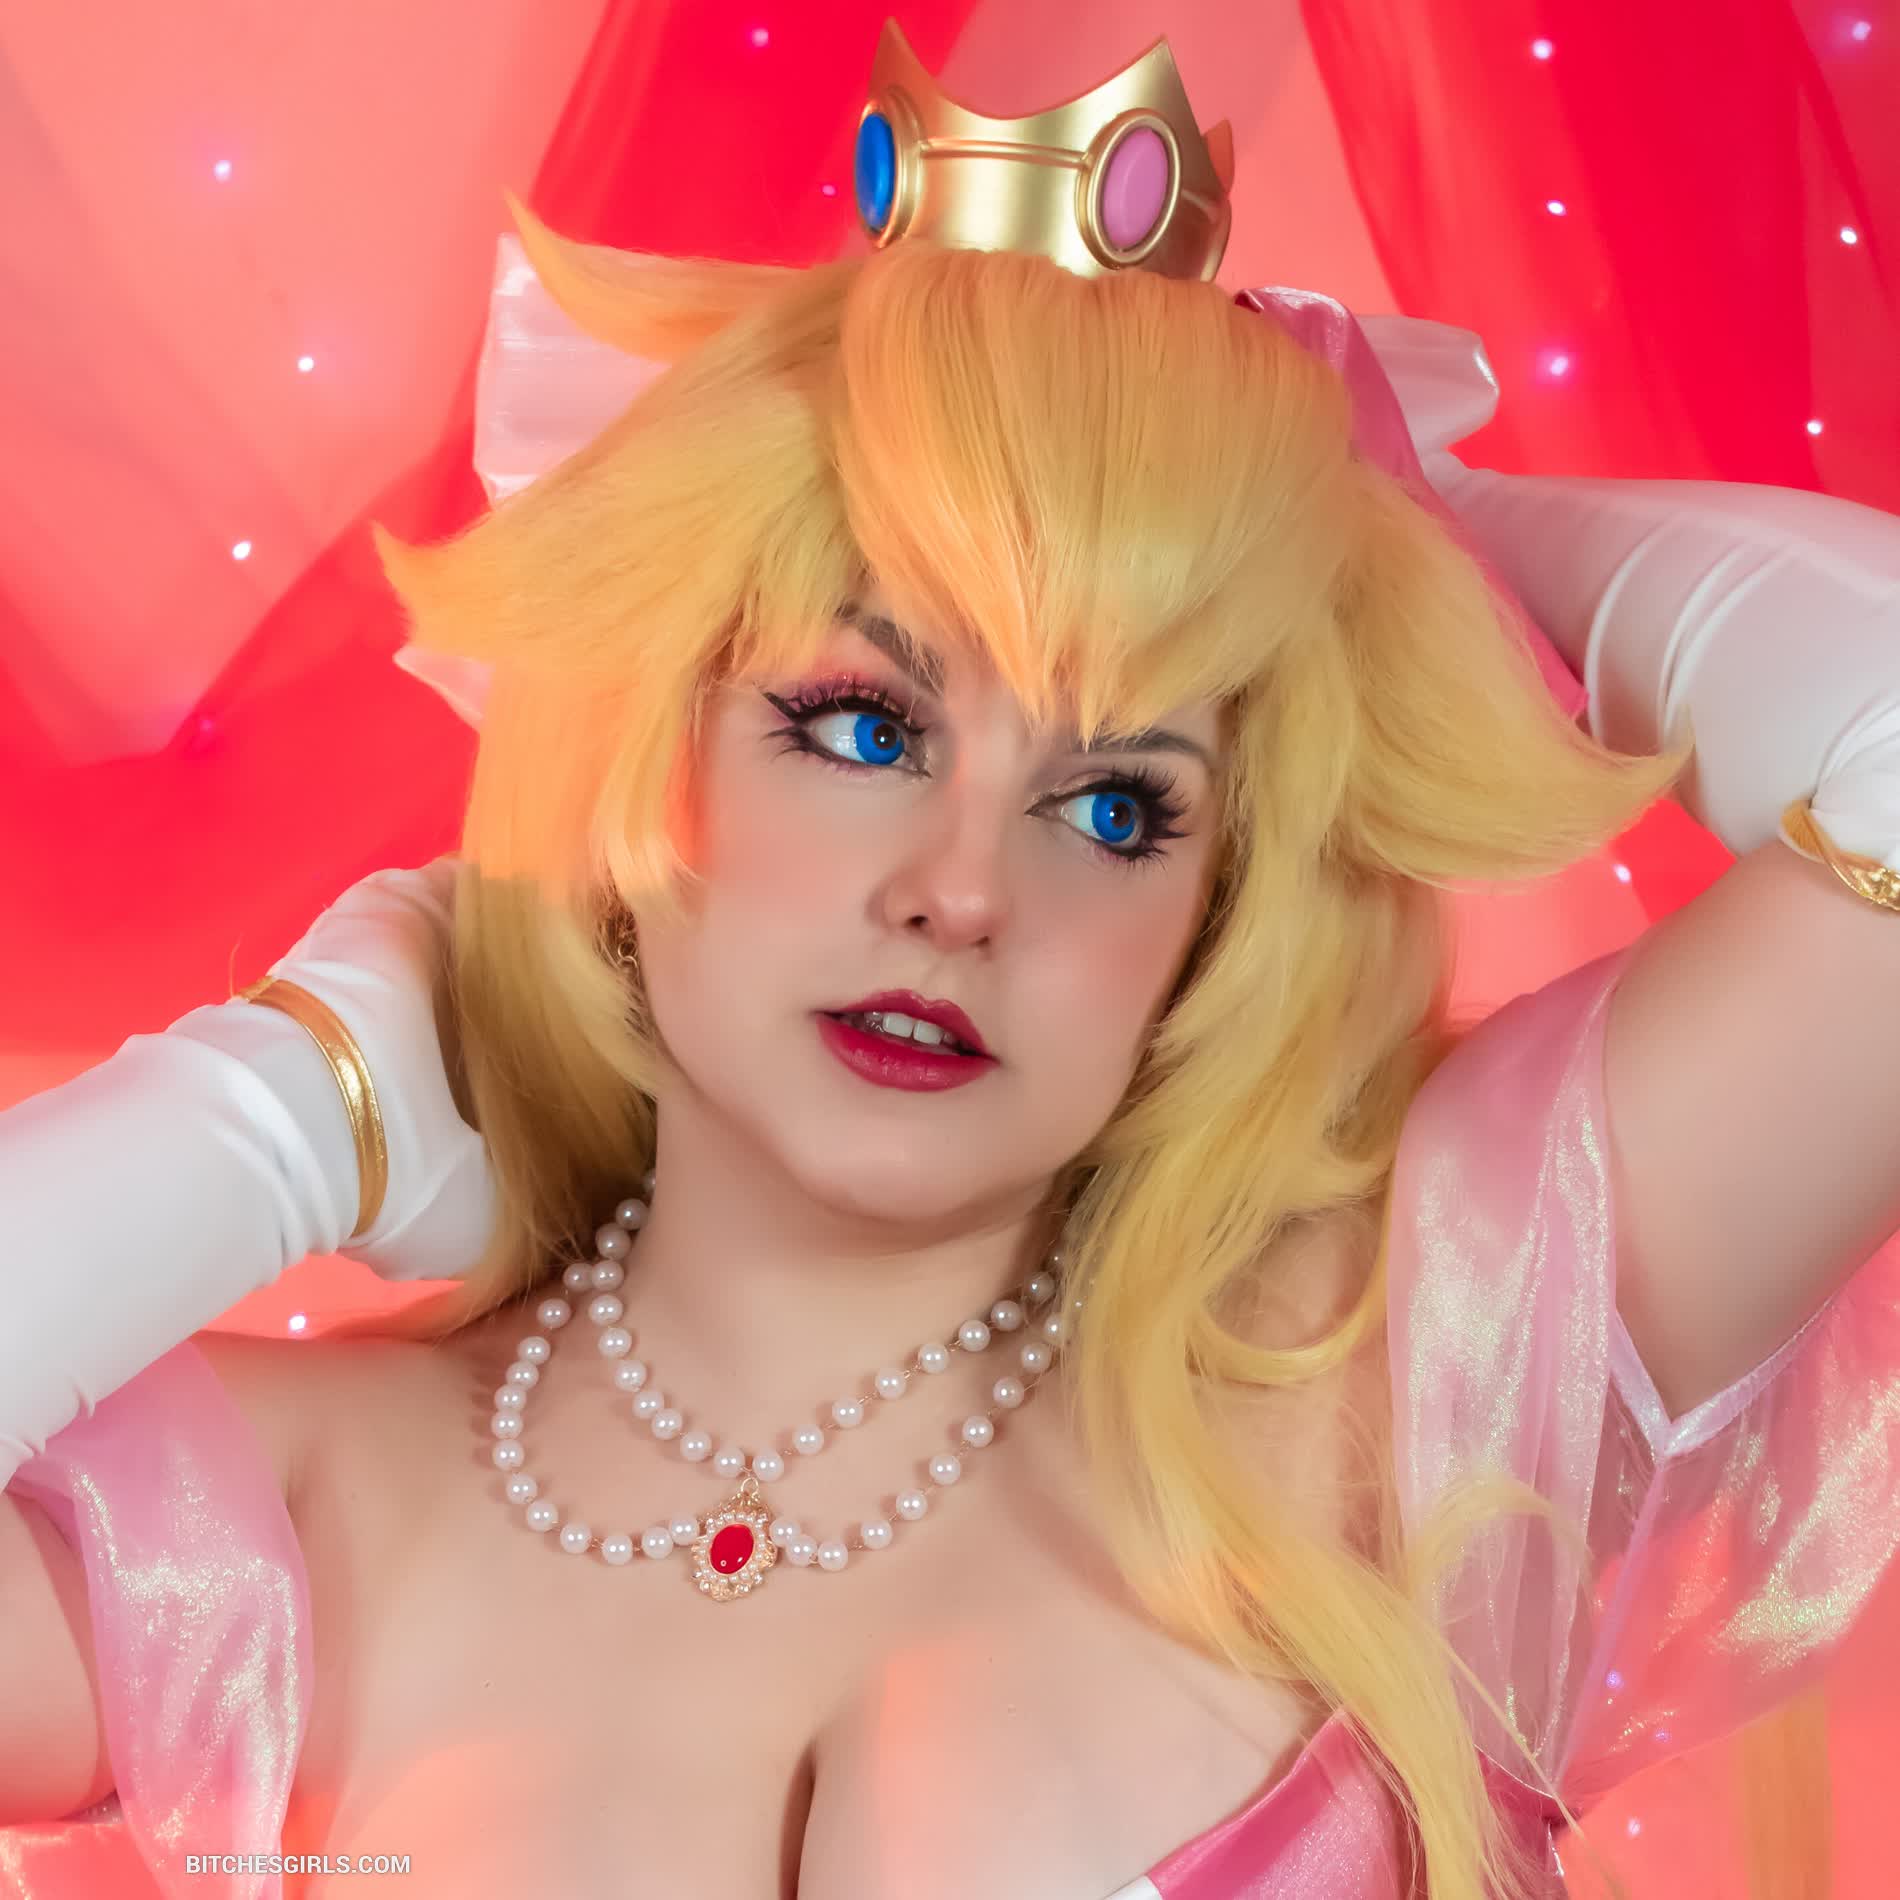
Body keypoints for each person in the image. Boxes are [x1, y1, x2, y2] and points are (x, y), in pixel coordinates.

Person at [5, 18, 1900, 1898]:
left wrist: (1394, 514)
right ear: (651, 752)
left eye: (1116, 808)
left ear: (1212, 916)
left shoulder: (1407, 1359)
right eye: (863, 728)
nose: (965, 892)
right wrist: (300, 1099)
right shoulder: (285, 1508)